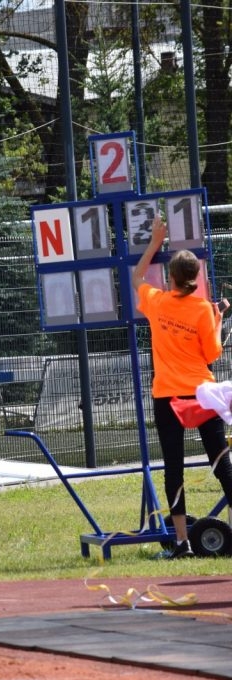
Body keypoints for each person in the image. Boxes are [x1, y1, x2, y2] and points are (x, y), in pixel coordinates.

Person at [132, 215, 232, 559]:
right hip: (203, 393)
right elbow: (211, 354)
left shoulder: (157, 302)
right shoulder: (205, 310)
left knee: (174, 466)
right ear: (197, 278)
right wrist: (217, 321)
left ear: (172, 278)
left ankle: (181, 543)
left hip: (168, 396)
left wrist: (154, 241)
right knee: (221, 461)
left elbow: (136, 277)